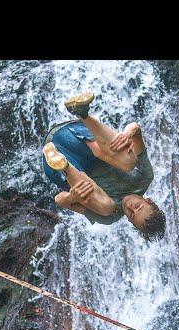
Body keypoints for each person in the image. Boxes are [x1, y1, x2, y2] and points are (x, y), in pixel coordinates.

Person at [41, 91, 166, 241]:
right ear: (148, 201)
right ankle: (81, 112)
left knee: (106, 207)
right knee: (129, 161)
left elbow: (59, 200)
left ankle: (63, 164)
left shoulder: (109, 217)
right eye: (138, 207)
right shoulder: (145, 177)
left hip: (60, 164)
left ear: (130, 221)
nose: (131, 208)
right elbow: (136, 131)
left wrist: (72, 197)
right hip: (75, 135)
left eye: (132, 215)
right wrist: (129, 132)